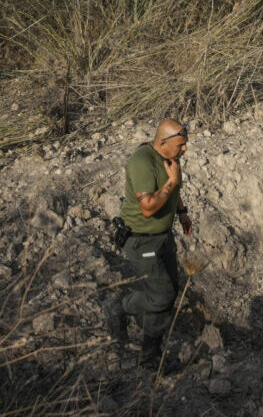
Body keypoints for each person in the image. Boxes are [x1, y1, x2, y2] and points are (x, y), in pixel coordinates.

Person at [105, 117, 193, 368]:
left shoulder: (171, 158)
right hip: (141, 240)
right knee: (162, 295)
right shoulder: (142, 162)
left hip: (163, 237)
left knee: (169, 291)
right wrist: (172, 182)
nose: (185, 149)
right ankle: (119, 307)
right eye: (181, 145)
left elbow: (172, 192)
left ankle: (150, 355)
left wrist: (182, 212)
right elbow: (147, 208)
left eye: (185, 144)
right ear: (163, 142)